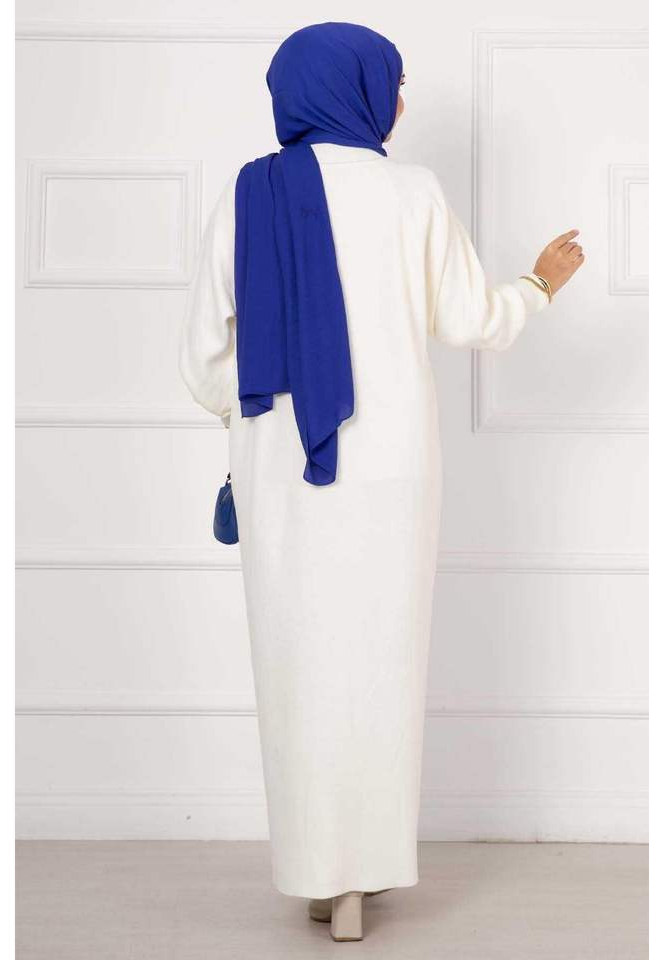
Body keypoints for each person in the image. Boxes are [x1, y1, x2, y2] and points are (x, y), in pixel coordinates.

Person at [179, 22, 584, 942]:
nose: (401, 100)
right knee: (378, 664)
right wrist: (539, 283)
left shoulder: (249, 194)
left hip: (282, 470)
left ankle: (318, 876)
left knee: (297, 666)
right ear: (358, 90)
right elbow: (474, 320)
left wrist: (259, 410)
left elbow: (202, 363)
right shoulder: (414, 194)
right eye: (394, 82)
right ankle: (361, 879)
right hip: (394, 469)